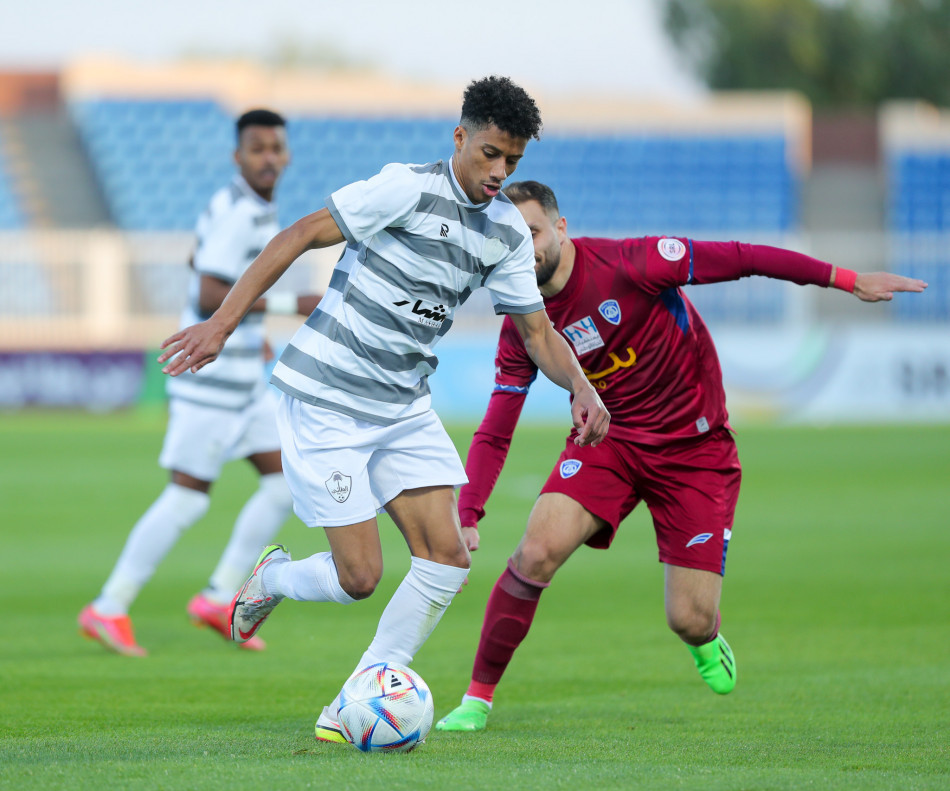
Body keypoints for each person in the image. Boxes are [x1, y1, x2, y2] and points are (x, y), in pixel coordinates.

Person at [158, 78, 610, 743]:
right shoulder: (405, 187)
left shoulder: (505, 231)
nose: (498, 172)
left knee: (448, 557)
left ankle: (358, 698)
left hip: (402, 406)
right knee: (361, 577)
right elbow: (301, 232)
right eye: (488, 154)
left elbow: (537, 331)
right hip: (328, 398)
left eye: (511, 162)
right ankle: (274, 578)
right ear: (460, 138)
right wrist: (224, 324)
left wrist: (581, 385)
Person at [435, 180, 928, 732]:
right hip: (610, 442)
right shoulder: (523, 322)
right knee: (535, 552)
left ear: (560, 228)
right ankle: (477, 700)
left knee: (688, 619)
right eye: (509, 238)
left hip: (695, 452)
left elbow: (744, 258)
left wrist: (846, 279)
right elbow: (497, 425)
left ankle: (706, 637)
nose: (522, 248)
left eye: (531, 234)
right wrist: (470, 511)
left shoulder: (632, 264)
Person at [79, 109, 321, 656]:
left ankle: (217, 596)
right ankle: (108, 605)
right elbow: (212, 293)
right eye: (256, 148)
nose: (267, 158)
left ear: (285, 154)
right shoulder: (240, 212)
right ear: (239, 156)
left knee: (283, 481)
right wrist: (291, 304)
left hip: (240, 382)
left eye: (275, 148)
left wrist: (248, 326)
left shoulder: (246, 206)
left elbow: (199, 261)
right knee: (187, 499)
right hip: (209, 387)